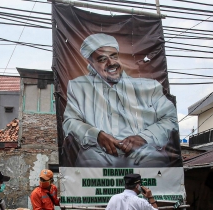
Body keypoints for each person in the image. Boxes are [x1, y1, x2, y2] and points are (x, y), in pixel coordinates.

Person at [62, 33, 179, 168]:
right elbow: (70, 121)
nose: (111, 63)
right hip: (98, 152)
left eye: (114, 56)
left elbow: (170, 118)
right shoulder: (79, 87)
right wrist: (97, 135)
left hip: (143, 152)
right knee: (88, 168)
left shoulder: (148, 87)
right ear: (91, 63)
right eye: (102, 59)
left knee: (156, 168)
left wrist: (144, 138)